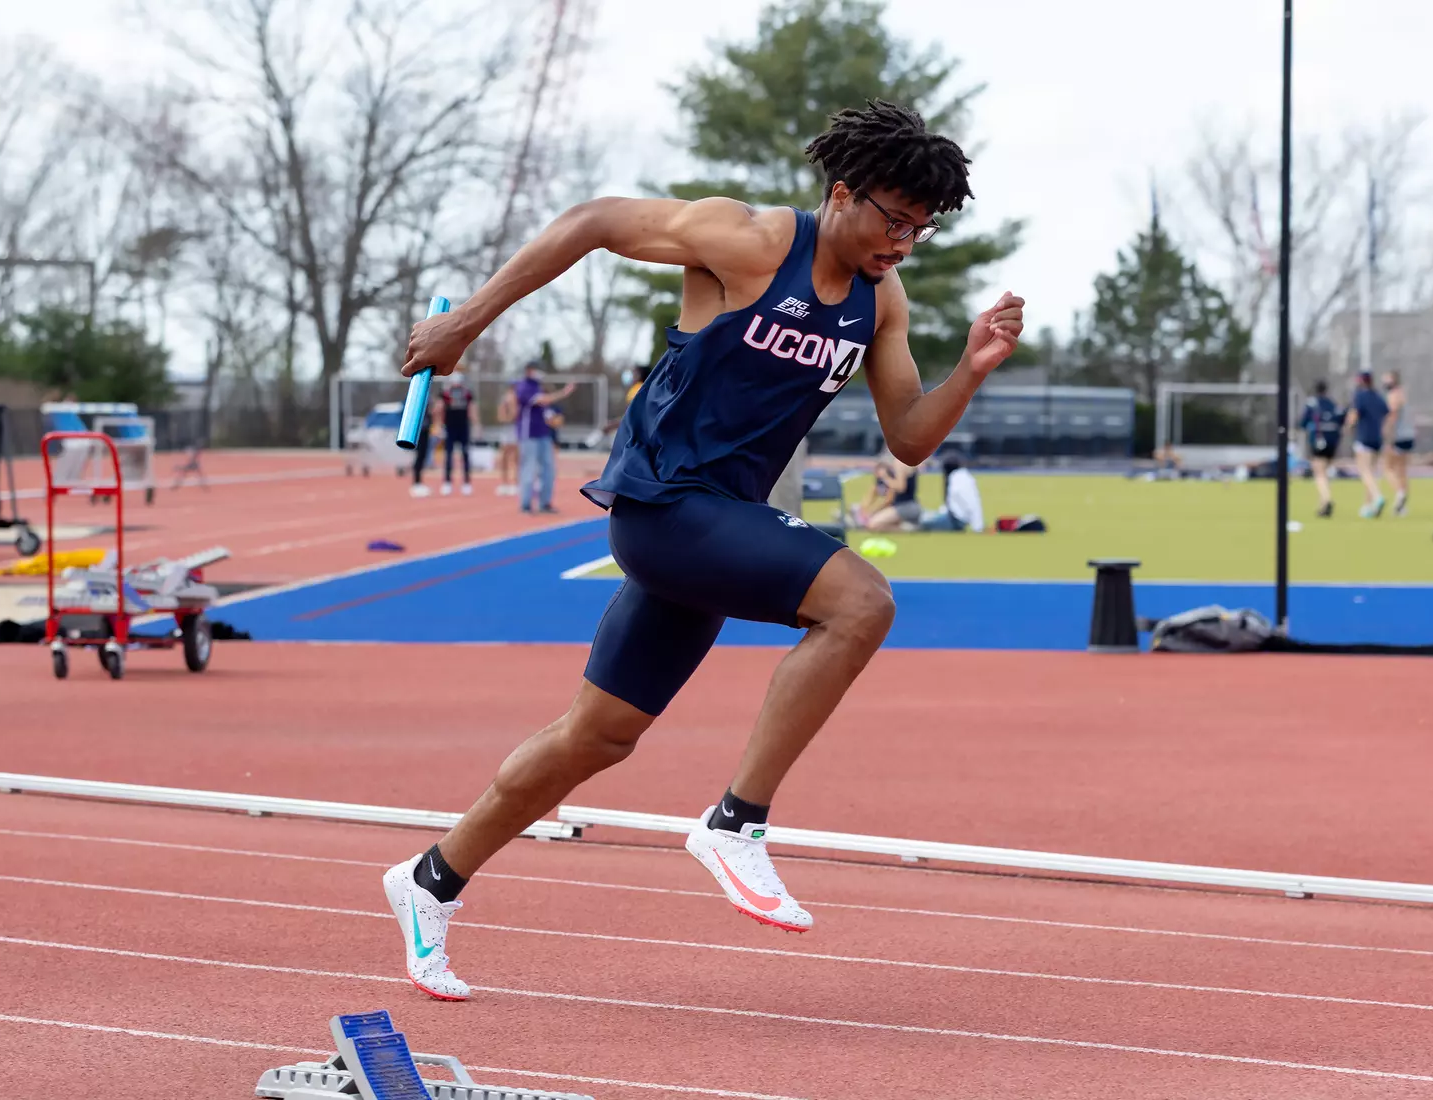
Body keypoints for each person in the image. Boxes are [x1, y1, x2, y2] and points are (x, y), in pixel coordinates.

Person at [387, 100, 1023, 1000]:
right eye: (893, 219)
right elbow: (597, 221)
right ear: (842, 195)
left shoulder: (881, 300)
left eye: (921, 228)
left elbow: (909, 437)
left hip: (716, 528)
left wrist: (971, 368)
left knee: (596, 736)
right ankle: (736, 822)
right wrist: (469, 322)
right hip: (660, 505)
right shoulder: (752, 240)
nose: (904, 243)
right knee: (861, 603)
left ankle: (428, 881)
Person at [510, 362, 575, 514]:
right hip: (529, 434)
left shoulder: (537, 386)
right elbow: (543, 400)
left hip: (543, 433)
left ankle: (545, 503)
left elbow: (546, 411)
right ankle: (525, 504)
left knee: (549, 468)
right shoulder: (524, 387)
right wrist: (564, 392)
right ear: (528, 371)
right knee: (529, 467)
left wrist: (554, 420)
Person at [1344, 369, 1389, 518]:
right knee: (1372, 473)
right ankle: (1368, 507)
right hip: (1377, 439)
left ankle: (1377, 497)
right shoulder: (1377, 396)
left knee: (1364, 471)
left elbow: (1353, 415)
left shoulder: (1360, 396)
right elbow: (1386, 413)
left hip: (1364, 438)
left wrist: (1348, 427)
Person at [1299, 379, 1343, 517]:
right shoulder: (1333, 404)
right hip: (1333, 441)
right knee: (1324, 471)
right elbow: (1341, 420)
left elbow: (1303, 422)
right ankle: (1323, 504)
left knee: (1319, 472)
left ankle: (1327, 499)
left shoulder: (1312, 403)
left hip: (1319, 439)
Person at [917, 452, 984, 531]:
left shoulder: (958, 479)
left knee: (922, 522)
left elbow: (972, 503)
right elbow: (952, 503)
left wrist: (978, 527)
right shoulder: (960, 477)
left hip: (955, 521)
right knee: (925, 515)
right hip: (953, 517)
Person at [439, 370, 477, 496]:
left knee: (465, 454)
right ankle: (447, 482)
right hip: (450, 428)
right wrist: (439, 425)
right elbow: (440, 409)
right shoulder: (446, 394)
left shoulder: (467, 394)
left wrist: (476, 424)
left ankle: (466, 482)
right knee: (448, 455)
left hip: (463, 427)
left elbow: (472, 408)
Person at [1382, 369, 1414, 516]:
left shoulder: (1393, 395)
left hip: (1398, 437)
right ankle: (1401, 506)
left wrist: (1387, 433)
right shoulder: (1403, 394)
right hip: (1409, 435)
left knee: (1387, 467)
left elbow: (1392, 416)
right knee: (1402, 471)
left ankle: (1399, 493)